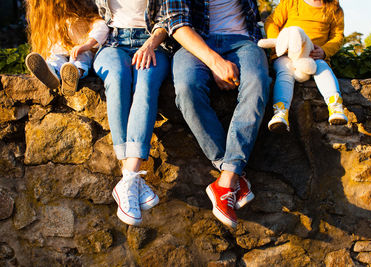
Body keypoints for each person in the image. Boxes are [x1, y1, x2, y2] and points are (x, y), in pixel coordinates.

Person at [163, 0, 272, 228]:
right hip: (194, 42)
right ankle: (232, 171)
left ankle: (226, 180)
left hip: (243, 41)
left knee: (257, 82)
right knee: (186, 88)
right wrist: (215, 62)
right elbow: (176, 23)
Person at [93, 0, 170, 225]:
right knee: (117, 78)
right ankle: (132, 180)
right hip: (112, 44)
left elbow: (169, 18)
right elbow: (87, 16)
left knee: (145, 84)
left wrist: (151, 44)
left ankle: (129, 177)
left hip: (153, 42)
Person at [265, 0, 348, 133]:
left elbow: (337, 37)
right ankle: (280, 112)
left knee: (323, 69)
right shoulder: (291, 2)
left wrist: (324, 51)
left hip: (314, 57)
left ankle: (335, 106)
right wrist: (280, 43)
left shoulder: (334, 8)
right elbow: (272, 22)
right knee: (285, 70)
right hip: (287, 55)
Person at [25, 0, 109, 95]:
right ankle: (50, 72)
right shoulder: (52, 20)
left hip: (81, 49)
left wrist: (87, 45)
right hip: (61, 50)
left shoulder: (83, 16)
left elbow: (102, 27)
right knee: (55, 58)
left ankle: (74, 74)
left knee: (81, 58)